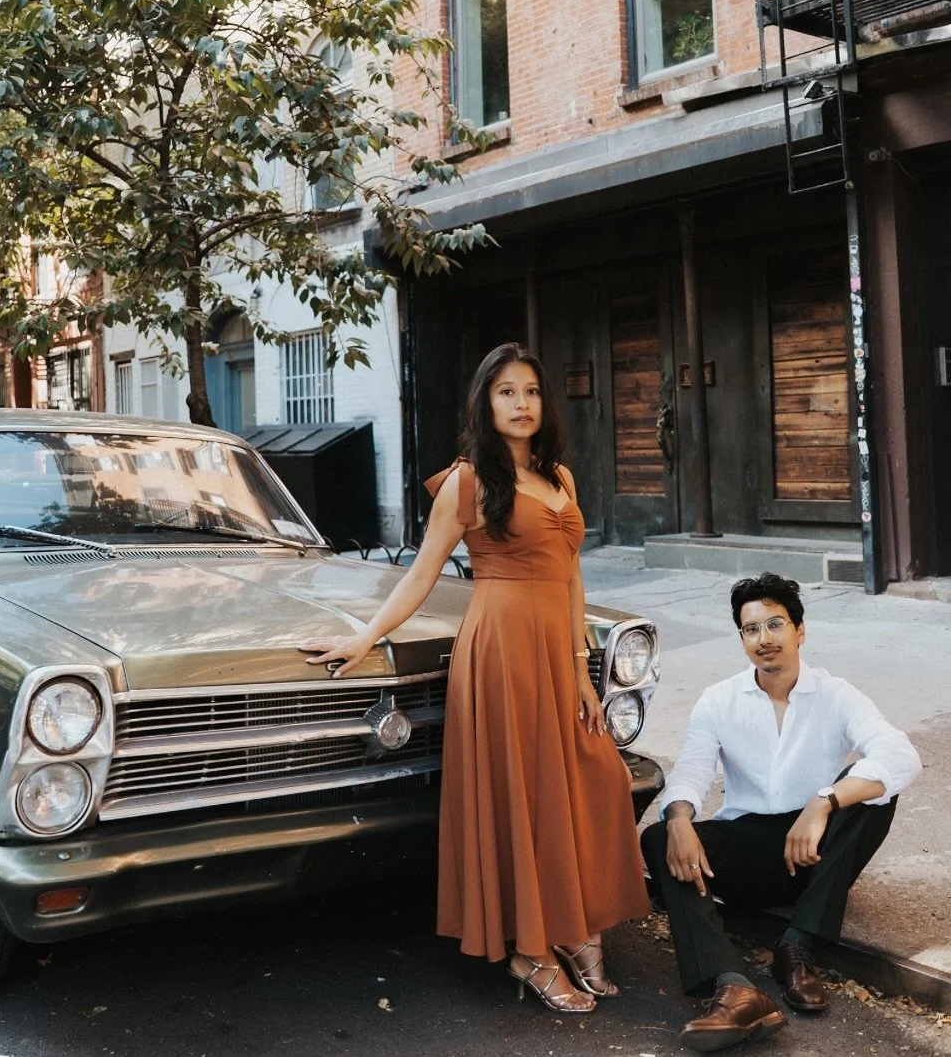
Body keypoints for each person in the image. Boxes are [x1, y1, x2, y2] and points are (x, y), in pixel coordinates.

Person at [300, 342, 650, 1013]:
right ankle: (531, 949)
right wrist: (365, 635)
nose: (521, 403)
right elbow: (423, 572)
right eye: (506, 392)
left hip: (556, 653)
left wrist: (583, 669)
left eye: (531, 392)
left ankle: (574, 928)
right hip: (501, 651)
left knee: (592, 779)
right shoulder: (467, 481)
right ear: (485, 405)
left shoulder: (561, 478)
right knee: (522, 796)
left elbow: (572, 576)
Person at [641, 571, 921, 1052]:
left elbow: (901, 755)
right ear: (742, 639)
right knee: (657, 836)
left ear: (800, 631)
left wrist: (822, 802)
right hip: (750, 850)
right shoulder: (719, 700)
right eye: (752, 629)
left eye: (775, 625)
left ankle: (796, 947)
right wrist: (680, 818)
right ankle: (733, 988)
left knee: (876, 790)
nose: (764, 640)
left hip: (815, 852)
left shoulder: (835, 694)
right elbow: (691, 772)